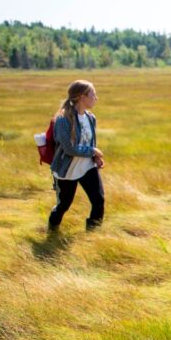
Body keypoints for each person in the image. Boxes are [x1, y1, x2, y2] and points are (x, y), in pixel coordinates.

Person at [48, 79, 105, 231]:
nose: (96, 98)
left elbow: (89, 141)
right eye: (93, 94)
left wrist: (95, 158)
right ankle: (52, 230)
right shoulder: (63, 120)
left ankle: (93, 235)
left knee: (98, 200)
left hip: (87, 167)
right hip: (67, 170)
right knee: (63, 205)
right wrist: (92, 151)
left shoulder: (90, 118)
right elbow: (69, 149)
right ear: (82, 97)